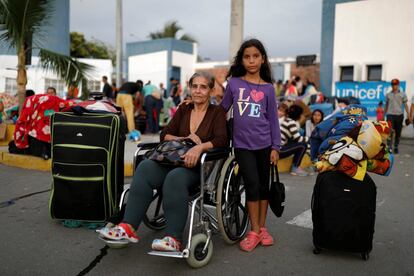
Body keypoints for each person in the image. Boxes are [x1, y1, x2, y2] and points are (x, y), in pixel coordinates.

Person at [98, 72, 228, 252]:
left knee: (175, 178)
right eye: (195, 86)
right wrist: (185, 139)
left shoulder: (217, 112)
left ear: (211, 91)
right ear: (190, 88)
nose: (198, 91)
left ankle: (173, 238)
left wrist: (198, 147)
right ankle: (127, 227)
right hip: (172, 160)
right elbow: (164, 134)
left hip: (196, 167)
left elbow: (222, 140)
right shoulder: (184, 109)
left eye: (203, 87)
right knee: (144, 167)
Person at [221, 39, 281, 252]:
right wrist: (197, 106)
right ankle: (254, 231)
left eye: (256, 56)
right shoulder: (234, 84)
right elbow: (221, 110)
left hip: (265, 145)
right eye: (247, 57)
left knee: (263, 187)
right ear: (242, 60)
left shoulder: (268, 89)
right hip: (243, 145)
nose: (251, 60)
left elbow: (273, 120)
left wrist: (276, 147)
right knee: (253, 185)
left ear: (262, 59)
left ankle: (262, 228)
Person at [278, 104, 309, 176]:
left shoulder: (287, 120)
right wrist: (310, 138)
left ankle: (296, 167)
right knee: (303, 145)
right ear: (299, 115)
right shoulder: (291, 122)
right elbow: (298, 139)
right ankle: (295, 167)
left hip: (279, 147)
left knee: (298, 143)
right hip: (279, 150)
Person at [385, 78, 411, 154]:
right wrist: (383, 115)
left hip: (399, 116)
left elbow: (406, 105)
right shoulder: (388, 95)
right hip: (390, 115)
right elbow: (386, 105)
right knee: (389, 132)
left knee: (398, 132)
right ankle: (389, 147)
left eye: (395, 84)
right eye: (393, 84)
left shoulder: (403, 94)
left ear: (398, 85)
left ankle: (396, 146)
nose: (394, 86)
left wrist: (408, 115)